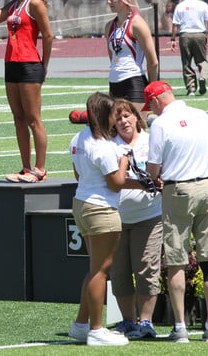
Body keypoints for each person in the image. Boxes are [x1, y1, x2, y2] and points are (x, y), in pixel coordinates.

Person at [143, 80, 208, 343]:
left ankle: (180, 327)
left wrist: (157, 176)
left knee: (176, 259)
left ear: (155, 101)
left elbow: (153, 168)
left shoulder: (161, 124)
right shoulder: (203, 116)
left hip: (179, 190)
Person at [67, 92, 131, 347]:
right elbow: (116, 183)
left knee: (94, 269)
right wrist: (124, 160)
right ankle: (96, 329)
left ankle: (81, 325)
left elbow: (76, 172)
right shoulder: (103, 147)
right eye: (114, 114)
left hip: (81, 203)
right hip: (101, 209)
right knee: (101, 271)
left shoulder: (78, 137)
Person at [0, 0, 53, 182]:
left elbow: (48, 35)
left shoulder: (36, 4)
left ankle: (40, 169)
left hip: (29, 64)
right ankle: (25, 168)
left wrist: (44, 65)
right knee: (18, 119)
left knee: (34, 119)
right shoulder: (14, 5)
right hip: (11, 64)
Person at [109, 99, 162, 340]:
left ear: (136, 117)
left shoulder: (151, 141)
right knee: (119, 272)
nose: (123, 121)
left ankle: (146, 321)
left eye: (127, 115)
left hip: (149, 216)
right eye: (118, 118)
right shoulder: (110, 146)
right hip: (116, 219)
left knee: (146, 269)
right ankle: (127, 321)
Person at [105, 0, 158, 109]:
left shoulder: (137, 24)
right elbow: (112, 57)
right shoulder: (109, 26)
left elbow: (153, 61)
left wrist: (153, 89)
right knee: (116, 127)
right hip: (114, 82)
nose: (109, 2)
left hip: (134, 83)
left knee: (136, 127)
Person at [170, 0, 208, 96]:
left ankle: (191, 89)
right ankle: (203, 77)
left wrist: (173, 39)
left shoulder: (180, 6)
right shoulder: (203, 5)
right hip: (200, 34)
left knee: (186, 63)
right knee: (202, 61)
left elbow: (175, 24)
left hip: (185, 35)